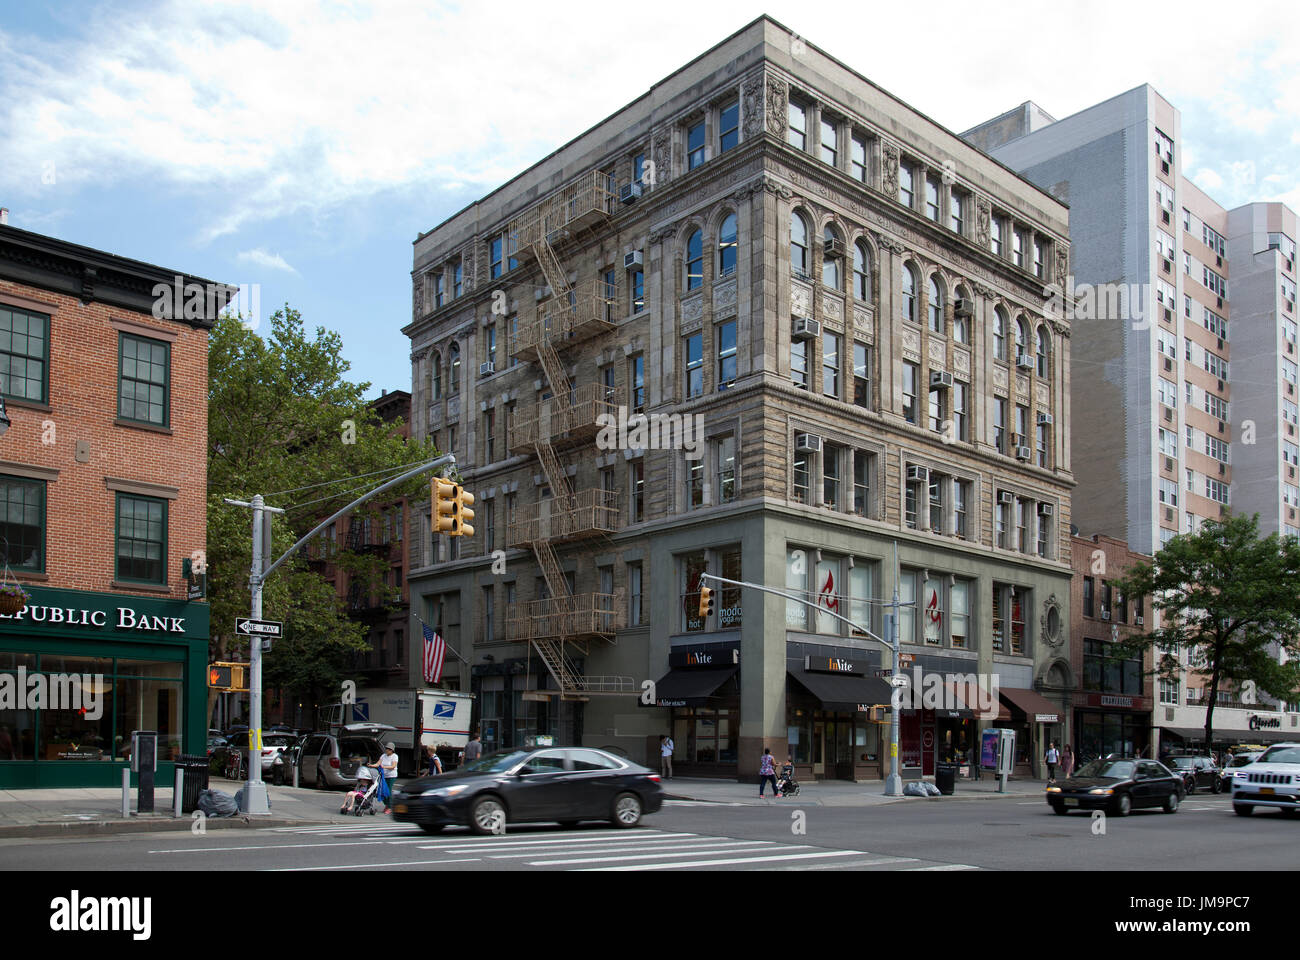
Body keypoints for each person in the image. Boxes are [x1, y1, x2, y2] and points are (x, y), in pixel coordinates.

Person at [377, 742, 399, 813]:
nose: (387, 750)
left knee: (388, 791)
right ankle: (387, 804)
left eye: (388, 749)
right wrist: (371, 765)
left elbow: (393, 766)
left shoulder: (395, 756)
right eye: (386, 749)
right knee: (381, 791)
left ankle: (389, 807)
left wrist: (384, 767)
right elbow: (378, 763)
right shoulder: (383, 756)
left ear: (392, 750)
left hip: (391, 776)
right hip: (383, 775)